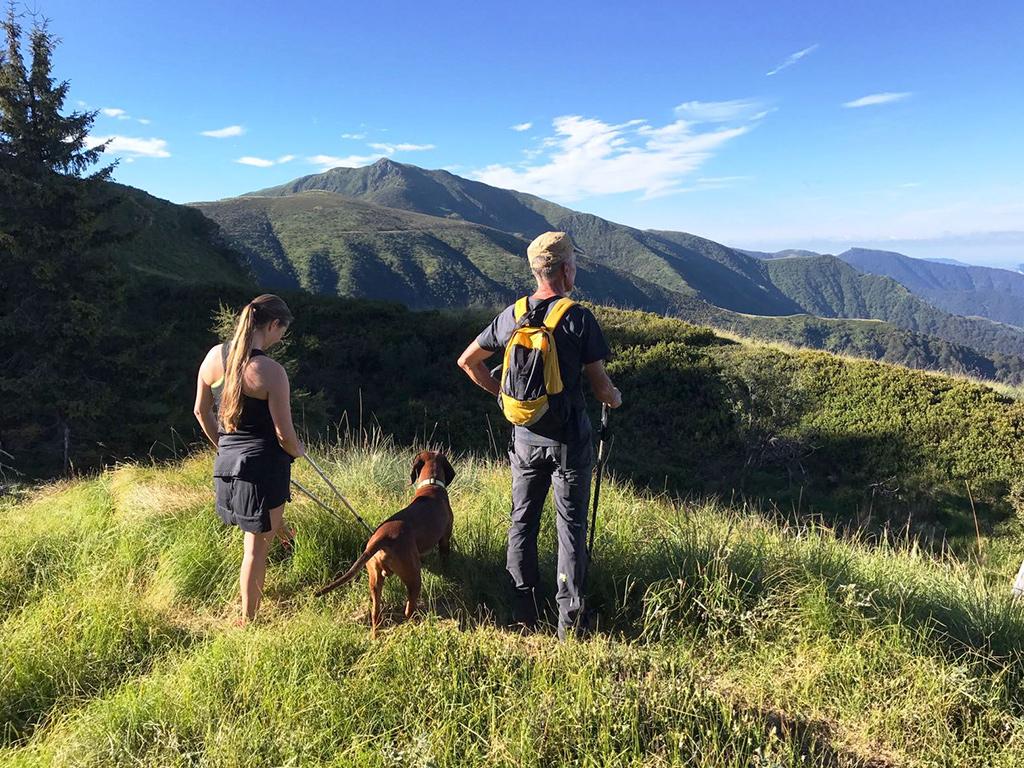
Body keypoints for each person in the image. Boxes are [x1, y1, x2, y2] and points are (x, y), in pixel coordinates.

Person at [457, 231, 622, 639]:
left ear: (536, 271)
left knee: (522, 522)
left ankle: (523, 614)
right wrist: (615, 398)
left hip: (524, 440)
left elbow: (467, 362)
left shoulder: (513, 315)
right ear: (565, 270)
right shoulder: (577, 317)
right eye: (574, 266)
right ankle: (571, 626)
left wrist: (502, 397)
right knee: (571, 530)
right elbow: (601, 386)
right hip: (569, 443)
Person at [193, 294, 305, 624]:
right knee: (254, 549)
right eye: (281, 331)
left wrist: (224, 446)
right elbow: (284, 434)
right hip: (263, 468)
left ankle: (291, 544)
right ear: (273, 324)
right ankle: (248, 620)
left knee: (265, 523)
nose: (279, 338)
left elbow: (200, 411)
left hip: (227, 466)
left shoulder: (213, 357)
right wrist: (297, 451)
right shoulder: (270, 371)